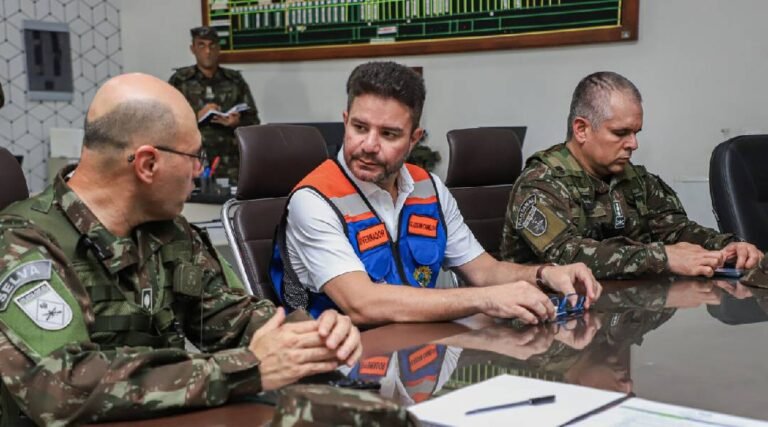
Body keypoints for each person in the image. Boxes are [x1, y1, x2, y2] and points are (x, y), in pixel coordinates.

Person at [0, 73, 361, 425]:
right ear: (148, 163)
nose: (199, 173)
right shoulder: (22, 243)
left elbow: (232, 318)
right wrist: (245, 368)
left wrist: (308, 336)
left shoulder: (169, 232)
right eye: (194, 157)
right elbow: (63, 388)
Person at [271, 61, 601, 327]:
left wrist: (544, 274)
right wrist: (484, 299)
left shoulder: (428, 187)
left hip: (419, 353)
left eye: (389, 134)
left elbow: (484, 271)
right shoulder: (314, 199)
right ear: (345, 121)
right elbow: (362, 304)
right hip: (343, 368)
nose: (369, 145)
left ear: (414, 139)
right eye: (359, 128)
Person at [501, 71, 763, 279]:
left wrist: (726, 246)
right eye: (621, 133)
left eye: (636, 132)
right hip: (548, 321)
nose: (633, 144)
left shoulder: (634, 179)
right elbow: (566, 254)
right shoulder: (539, 184)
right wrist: (663, 258)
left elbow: (676, 230)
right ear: (581, 129)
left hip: (618, 316)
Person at [168, 26, 260, 185]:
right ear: (193, 49)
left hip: (230, 162)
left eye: (212, 46)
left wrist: (236, 122)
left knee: (230, 205)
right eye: (201, 45)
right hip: (194, 161)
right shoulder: (180, 80)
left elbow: (254, 121)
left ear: (218, 49)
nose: (207, 51)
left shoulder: (234, 80)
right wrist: (196, 117)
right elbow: (167, 123)